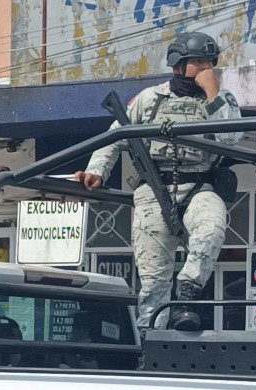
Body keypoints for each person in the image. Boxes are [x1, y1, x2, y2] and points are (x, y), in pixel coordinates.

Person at [74, 31, 242, 331]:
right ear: (178, 64)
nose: (206, 68)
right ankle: (149, 344)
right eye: (197, 62)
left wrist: (214, 95)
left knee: (212, 227)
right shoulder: (150, 99)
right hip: (153, 190)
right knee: (153, 283)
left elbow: (231, 138)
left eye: (209, 61)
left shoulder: (221, 99)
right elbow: (114, 136)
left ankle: (188, 294)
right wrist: (97, 170)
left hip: (199, 186)